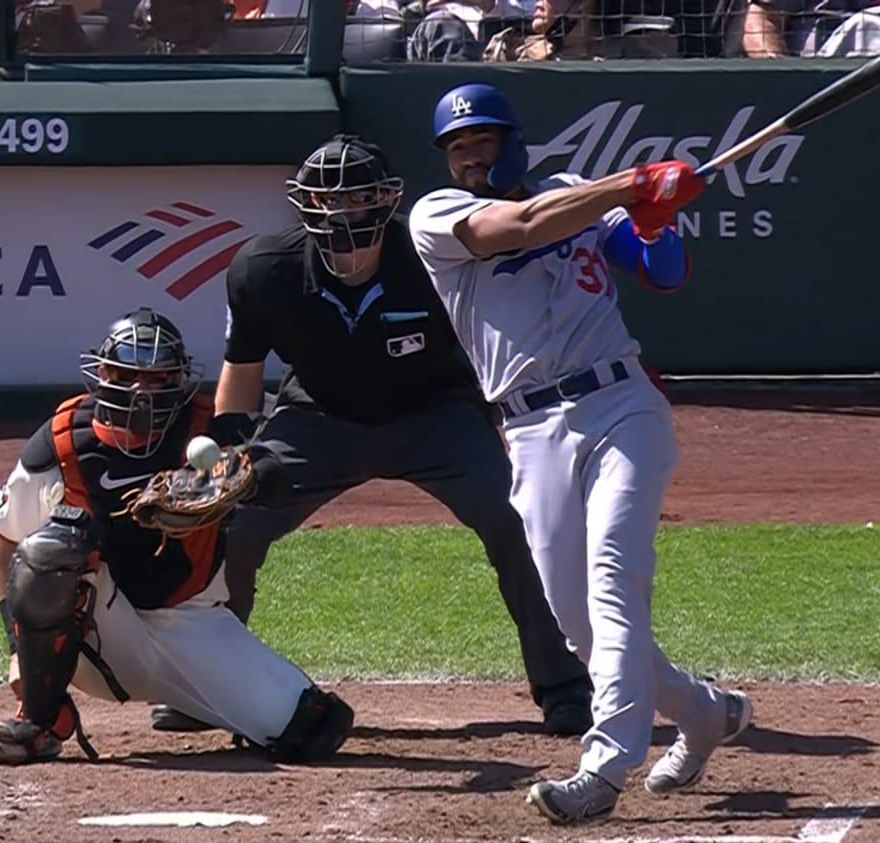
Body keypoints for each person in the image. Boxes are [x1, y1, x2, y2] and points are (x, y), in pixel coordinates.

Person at [406, 82, 753, 825]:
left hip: (622, 404)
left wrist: (655, 222)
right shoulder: (436, 216)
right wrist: (632, 184)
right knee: (581, 626)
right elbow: (523, 223)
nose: (469, 159)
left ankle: (606, 766)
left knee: (613, 581)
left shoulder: (579, 194)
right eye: (457, 149)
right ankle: (706, 713)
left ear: (513, 141)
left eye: (482, 142)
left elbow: (663, 274)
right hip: (529, 431)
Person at [174, 131, 594, 738]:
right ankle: (208, 687)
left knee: (516, 519)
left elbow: (489, 353)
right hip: (318, 419)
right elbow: (241, 375)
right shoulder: (262, 270)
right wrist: (229, 457)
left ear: (387, 202)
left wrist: (512, 434)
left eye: (359, 199)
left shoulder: (434, 259)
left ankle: (564, 686)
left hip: (437, 416)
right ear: (305, 207)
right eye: (328, 201)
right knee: (229, 528)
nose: (344, 215)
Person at [0, 306, 354, 766]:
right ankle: (41, 717)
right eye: (127, 375)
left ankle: (203, 703)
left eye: (158, 379)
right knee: (53, 549)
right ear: (102, 375)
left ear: (179, 381)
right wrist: (17, 648)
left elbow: (276, 472)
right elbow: (2, 536)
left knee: (314, 729)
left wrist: (244, 478)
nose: (141, 391)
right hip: (94, 632)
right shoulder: (65, 439)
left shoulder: (208, 427)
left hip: (190, 620)